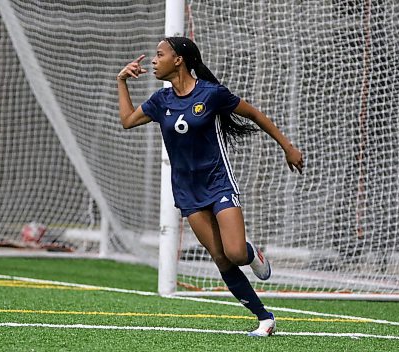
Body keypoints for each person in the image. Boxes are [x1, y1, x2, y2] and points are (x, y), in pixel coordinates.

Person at [116, 37, 304, 337]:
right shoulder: (159, 101)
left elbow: (254, 114)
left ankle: (251, 253)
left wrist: (287, 147)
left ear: (179, 60)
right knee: (220, 257)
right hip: (187, 191)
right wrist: (122, 81)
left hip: (218, 183)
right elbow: (126, 121)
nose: (153, 60)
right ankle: (264, 318)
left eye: (159, 54)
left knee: (236, 254)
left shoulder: (211, 94)